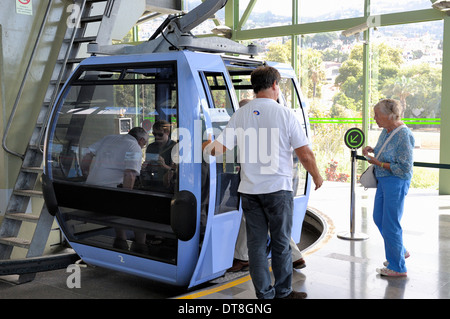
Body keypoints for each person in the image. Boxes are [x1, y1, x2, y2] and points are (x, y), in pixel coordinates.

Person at [205, 66, 323, 299]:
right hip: (278, 190)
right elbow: (305, 154)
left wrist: (201, 145)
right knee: (280, 244)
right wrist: (317, 176)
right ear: (274, 85)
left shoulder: (241, 114)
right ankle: (284, 292)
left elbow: (217, 149)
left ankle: (264, 295)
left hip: (249, 191)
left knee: (256, 247)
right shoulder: (285, 114)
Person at [229, 98, 306, 273]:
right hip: (275, 184)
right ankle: (293, 257)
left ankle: (245, 259)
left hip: (258, 185)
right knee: (273, 225)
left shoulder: (248, 127)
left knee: (255, 222)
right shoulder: (267, 125)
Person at [362, 99, 414, 277]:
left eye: (377, 114)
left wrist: (380, 164)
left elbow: (405, 167)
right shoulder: (386, 130)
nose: (375, 118)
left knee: (391, 223)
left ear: (390, 115)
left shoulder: (403, 135)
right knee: (378, 218)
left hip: (396, 181)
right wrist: (374, 150)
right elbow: (387, 151)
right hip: (384, 181)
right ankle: (399, 251)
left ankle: (398, 267)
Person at [81, 127, 149, 245]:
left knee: (118, 200)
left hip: (89, 196)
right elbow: (130, 175)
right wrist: (126, 200)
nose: (144, 146)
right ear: (141, 140)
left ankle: (121, 239)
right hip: (107, 200)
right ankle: (141, 247)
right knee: (142, 212)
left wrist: (86, 174)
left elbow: (87, 154)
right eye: (145, 143)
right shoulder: (134, 147)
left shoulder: (109, 138)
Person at [142, 120, 177, 191]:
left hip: (169, 186)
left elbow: (177, 172)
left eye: (160, 134)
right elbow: (147, 169)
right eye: (154, 134)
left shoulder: (175, 147)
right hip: (152, 184)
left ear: (167, 133)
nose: (157, 137)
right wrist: (144, 167)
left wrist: (164, 166)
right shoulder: (151, 147)